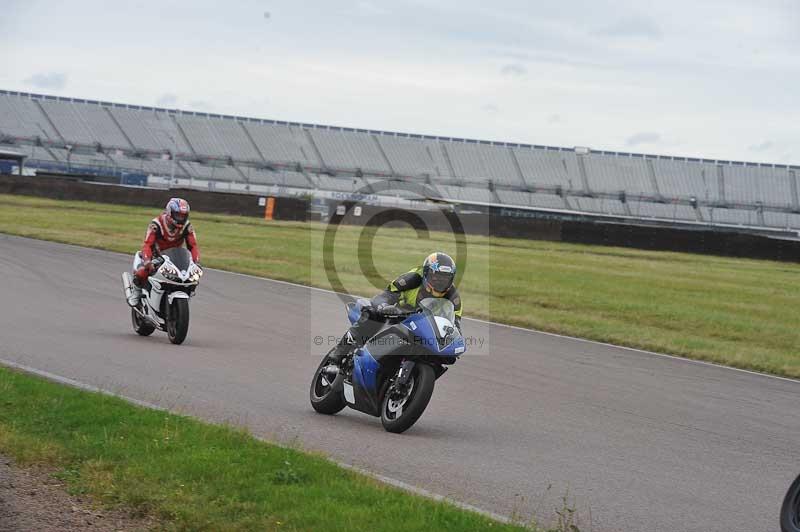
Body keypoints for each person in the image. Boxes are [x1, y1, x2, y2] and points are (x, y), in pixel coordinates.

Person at [328, 252, 462, 363]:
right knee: (372, 314)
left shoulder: (453, 297)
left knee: (444, 356)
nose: (440, 282)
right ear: (426, 273)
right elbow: (386, 295)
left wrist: (455, 341)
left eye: (445, 279)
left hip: (423, 326)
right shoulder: (412, 279)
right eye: (436, 277)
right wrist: (384, 306)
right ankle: (341, 350)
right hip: (397, 314)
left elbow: (455, 325)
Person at [127, 198, 201, 306]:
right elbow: (148, 244)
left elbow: (193, 246)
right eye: (178, 215)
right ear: (170, 213)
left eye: (183, 216)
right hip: (156, 256)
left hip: (176, 257)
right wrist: (148, 261)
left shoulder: (187, 227)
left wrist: (196, 262)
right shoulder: (156, 224)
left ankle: (186, 294)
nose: (181, 219)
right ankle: (136, 292)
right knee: (143, 272)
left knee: (191, 277)